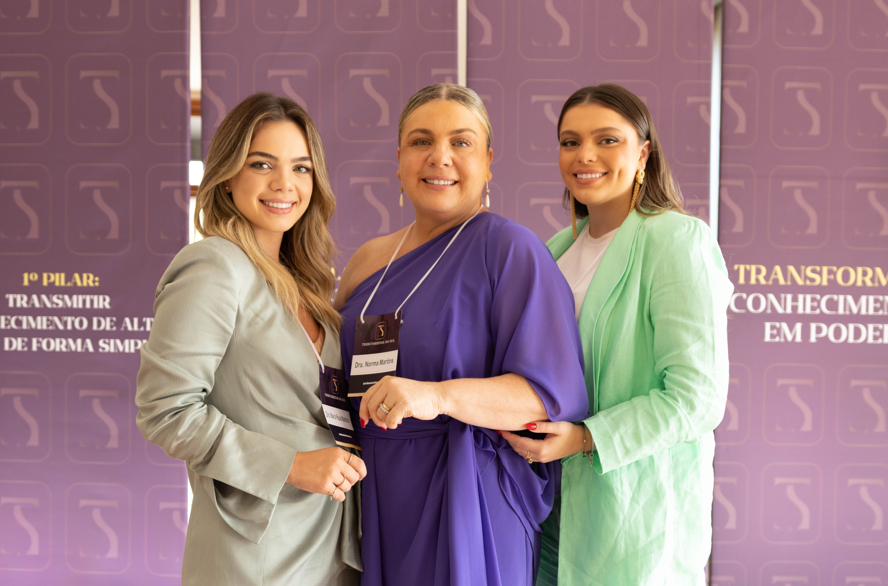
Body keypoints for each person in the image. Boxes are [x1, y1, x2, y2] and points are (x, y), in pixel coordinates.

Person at [333, 83, 589, 586]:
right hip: (372, 494)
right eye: (421, 141)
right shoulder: (367, 261)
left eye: (461, 142)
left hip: (468, 492)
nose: (440, 156)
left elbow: (546, 397)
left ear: (488, 162)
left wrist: (437, 397)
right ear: (399, 161)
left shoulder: (510, 249)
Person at [501, 83, 733, 585]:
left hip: (633, 521)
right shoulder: (553, 251)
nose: (585, 155)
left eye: (607, 140)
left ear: (643, 153)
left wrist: (586, 439)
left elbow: (696, 399)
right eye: (570, 142)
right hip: (545, 511)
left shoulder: (675, 240)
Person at [136, 93, 366, 586]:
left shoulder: (307, 282)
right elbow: (165, 410)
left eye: (301, 168)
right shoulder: (214, 266)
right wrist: (291, 465)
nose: (284, 183)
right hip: (255, 551)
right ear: (227, 175)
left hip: (329, 544)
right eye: (262, 164)